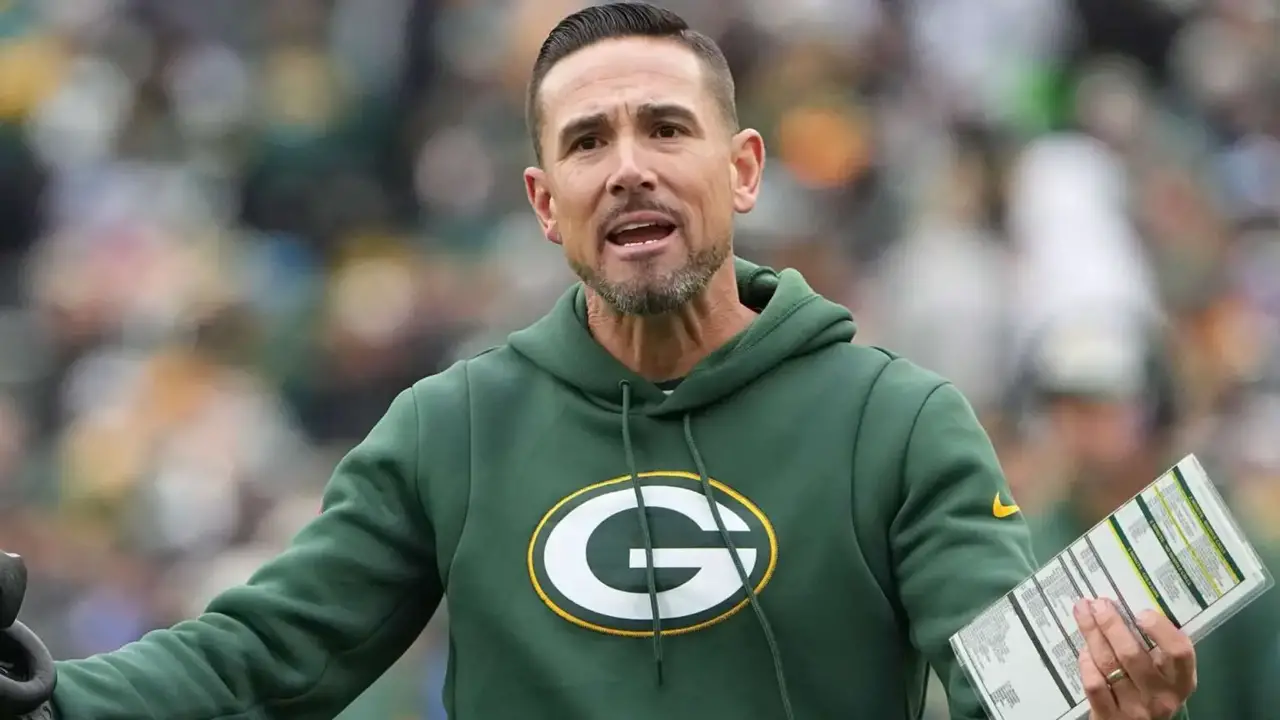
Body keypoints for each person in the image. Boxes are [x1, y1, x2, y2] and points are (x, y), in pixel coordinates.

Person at [0, 4, 1197, 719]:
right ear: (542, 200)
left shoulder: (898, 423)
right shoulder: (449, 429)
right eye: (586, 142)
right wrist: (52, 694)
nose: (626, 166)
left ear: (740, 170)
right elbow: (260, 659)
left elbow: (1012, 680)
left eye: (664, 128)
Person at [1020, 316, 1280, 718]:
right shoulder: (1031, 548)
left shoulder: (1238, 549)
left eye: (1101, 404)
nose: (1078, 425)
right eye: (1063, 405)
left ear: (1155, 411)